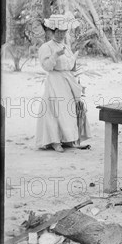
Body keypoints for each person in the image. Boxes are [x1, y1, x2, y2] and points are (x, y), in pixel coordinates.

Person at [35, 14, 91, 152]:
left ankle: (68, 139)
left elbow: (70, 65)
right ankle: (54, 141)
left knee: (68, 110)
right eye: (58, 31)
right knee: (55, 110)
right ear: (53, 31)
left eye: (63, 32)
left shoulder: (66, 46)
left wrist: (74, 58)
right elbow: (47, 66)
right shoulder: (46, 47)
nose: (60, 35)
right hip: (54, 81)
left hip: (67, 81)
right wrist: (55, 55)